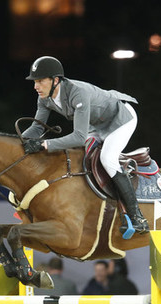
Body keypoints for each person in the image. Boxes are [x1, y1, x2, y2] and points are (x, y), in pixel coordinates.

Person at [21, 55, 149, 237]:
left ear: (55, 80)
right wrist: (17, 143)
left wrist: (44, 145)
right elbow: (36, 127)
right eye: (35, 81)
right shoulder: (44, 98)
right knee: (80, 158)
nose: (36, 86)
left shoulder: (77, 92)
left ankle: (137, 217)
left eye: (40, 81)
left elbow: (79, 137)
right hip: (96, 124)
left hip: (120, 119)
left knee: (107, 158)